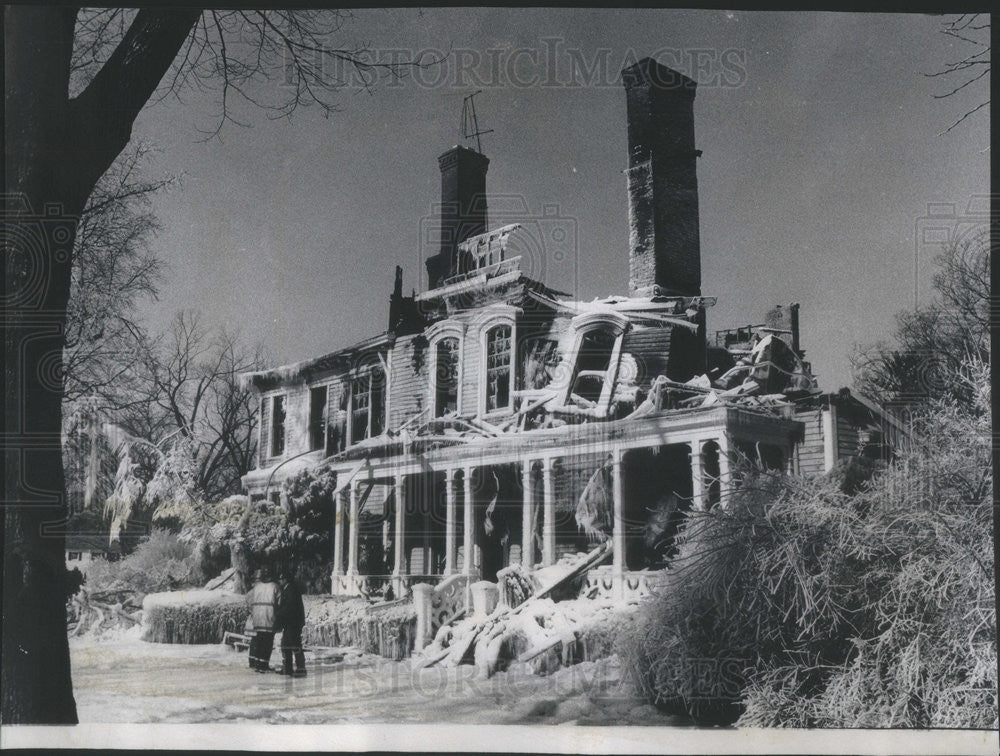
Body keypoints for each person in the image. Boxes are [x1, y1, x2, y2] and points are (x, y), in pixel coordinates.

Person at [247, 566, 280, 672]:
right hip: (269, 618)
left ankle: (256, 664)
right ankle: (263, 665)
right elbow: (280, 603)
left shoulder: (256, 587)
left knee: (258, 641)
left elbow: (249, 600)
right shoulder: (275, 587)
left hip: (257, 619)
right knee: (267, 642)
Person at [276, 566, 306, 677]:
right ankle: (288, 669)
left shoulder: (291, 590)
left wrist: (279, 617)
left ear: (285, 579)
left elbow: (289, 608)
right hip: (291, 623)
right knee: (286, 646)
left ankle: (300, 669)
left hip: (292, 623)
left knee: (295, 645)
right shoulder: (289, 589)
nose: (279, 581)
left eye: (281, 579)